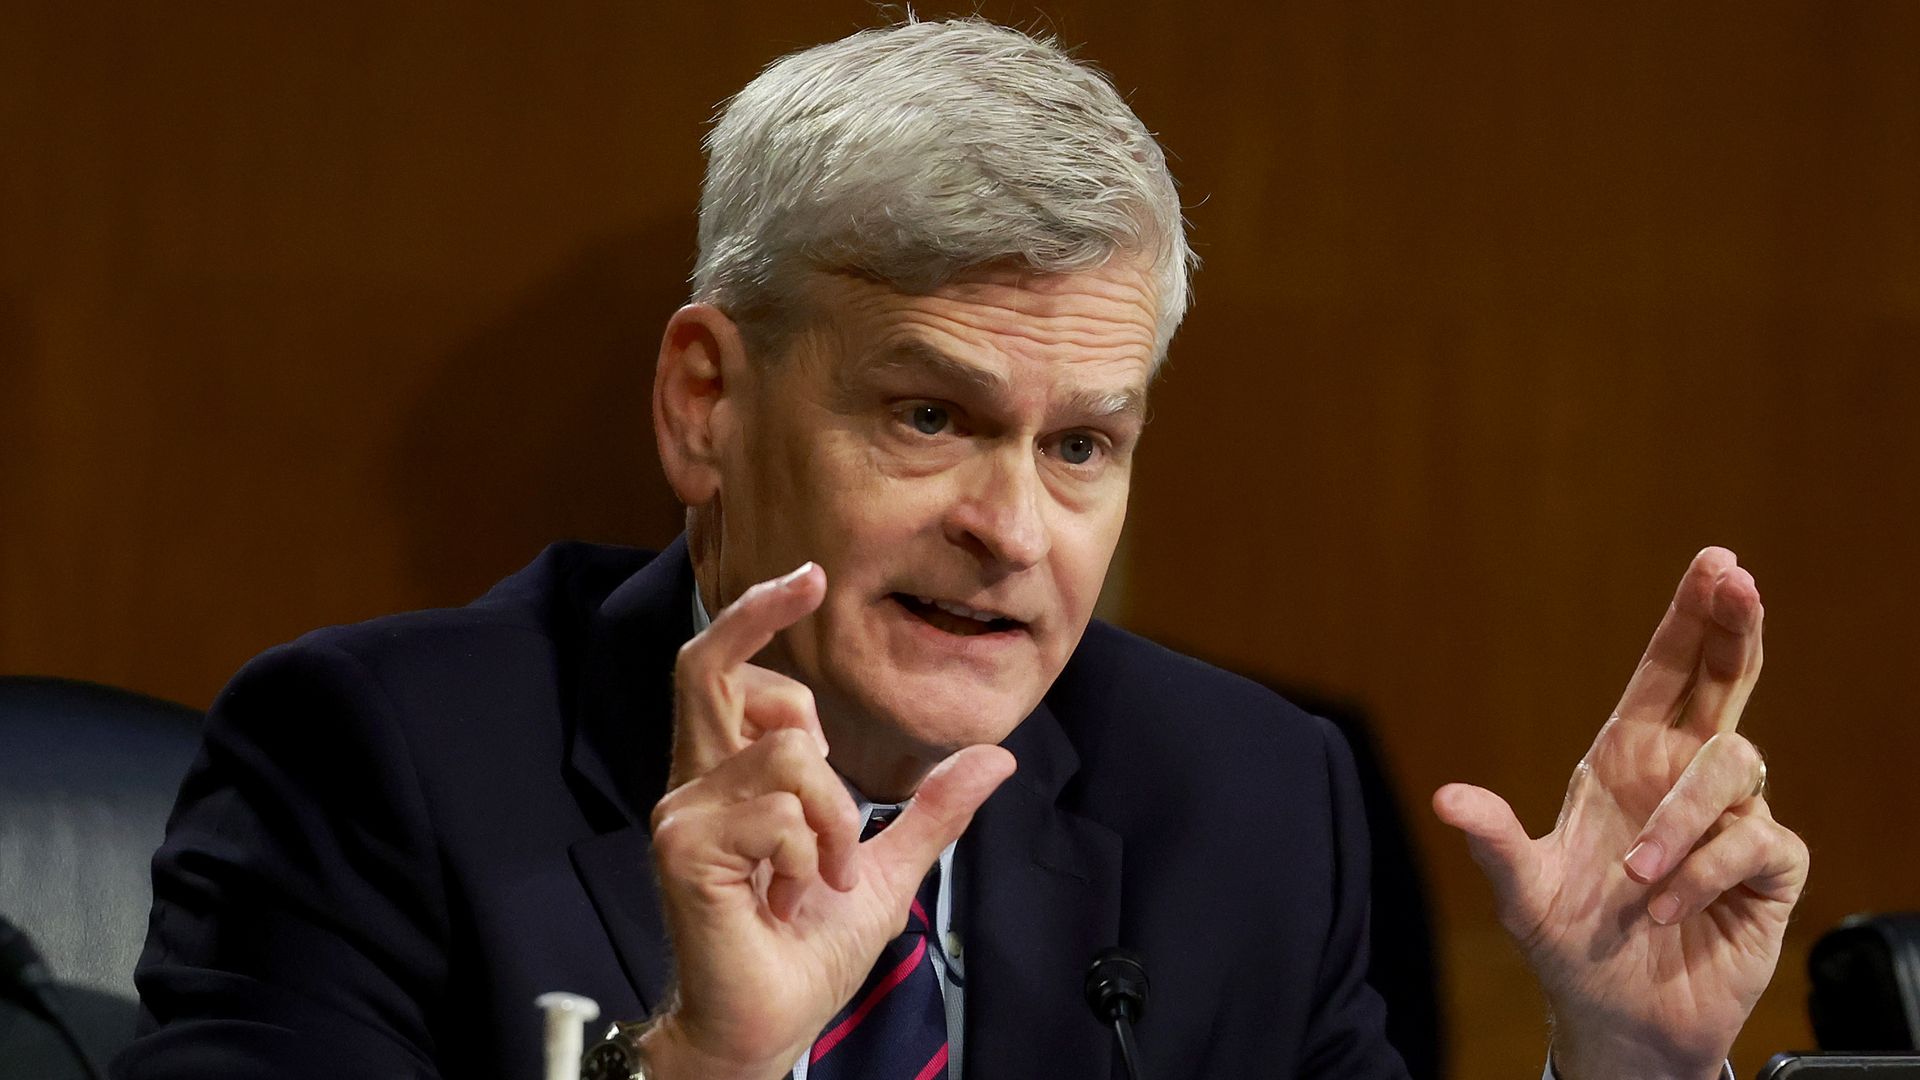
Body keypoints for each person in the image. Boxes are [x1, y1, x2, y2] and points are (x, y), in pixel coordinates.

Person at [116, 18, 1808, 1080]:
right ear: (707, 402)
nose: (1011, 530)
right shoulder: (380, 768)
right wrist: (710, 1066)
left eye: (1081, 445)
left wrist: (1628, 1065)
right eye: (927, 417)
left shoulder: (1244, 805)